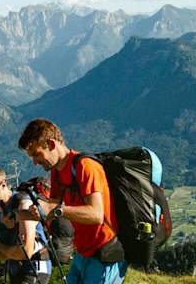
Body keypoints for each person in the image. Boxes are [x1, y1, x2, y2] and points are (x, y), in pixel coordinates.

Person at [17, 119, 126, 284]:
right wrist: (19, 215)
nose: (35, 161)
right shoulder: (56, 172)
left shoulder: (86, 166)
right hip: (82, 253)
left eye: (37, 154)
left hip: (104, 254)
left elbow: (97, 214)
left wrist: (57, 210)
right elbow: (50, 211)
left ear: (51, 144)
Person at [0, 167, 52, 284]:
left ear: (3, 184)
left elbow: (26, 252)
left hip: (35, 267)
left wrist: (0, 247)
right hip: (14, 269)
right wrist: (13, 253)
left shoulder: (23, 204)